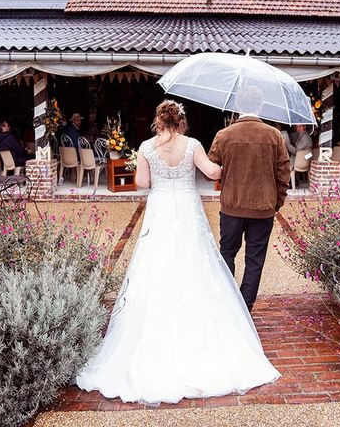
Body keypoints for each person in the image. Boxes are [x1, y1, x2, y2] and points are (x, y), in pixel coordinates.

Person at [76, 100, 280, 405]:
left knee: (155, 267)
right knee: (197, 266)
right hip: (186, 209)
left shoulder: (146, 147)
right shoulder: (192, 144)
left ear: (159, 121)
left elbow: (143, 183)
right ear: (181, 121)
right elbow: (212, 172)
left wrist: (153, 173)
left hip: (160, 210)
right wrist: (236, 163)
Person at [209, 85, 291, 312]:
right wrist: (277, 202)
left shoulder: (224, 135)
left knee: (227, 253)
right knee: (255, 260)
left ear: (238, 106)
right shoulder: (274, 135)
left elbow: (211, 168)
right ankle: (245, 307)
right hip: (263, 208)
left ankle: (226, 303)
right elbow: (284, 172)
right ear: (261, 105)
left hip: (232, 207)